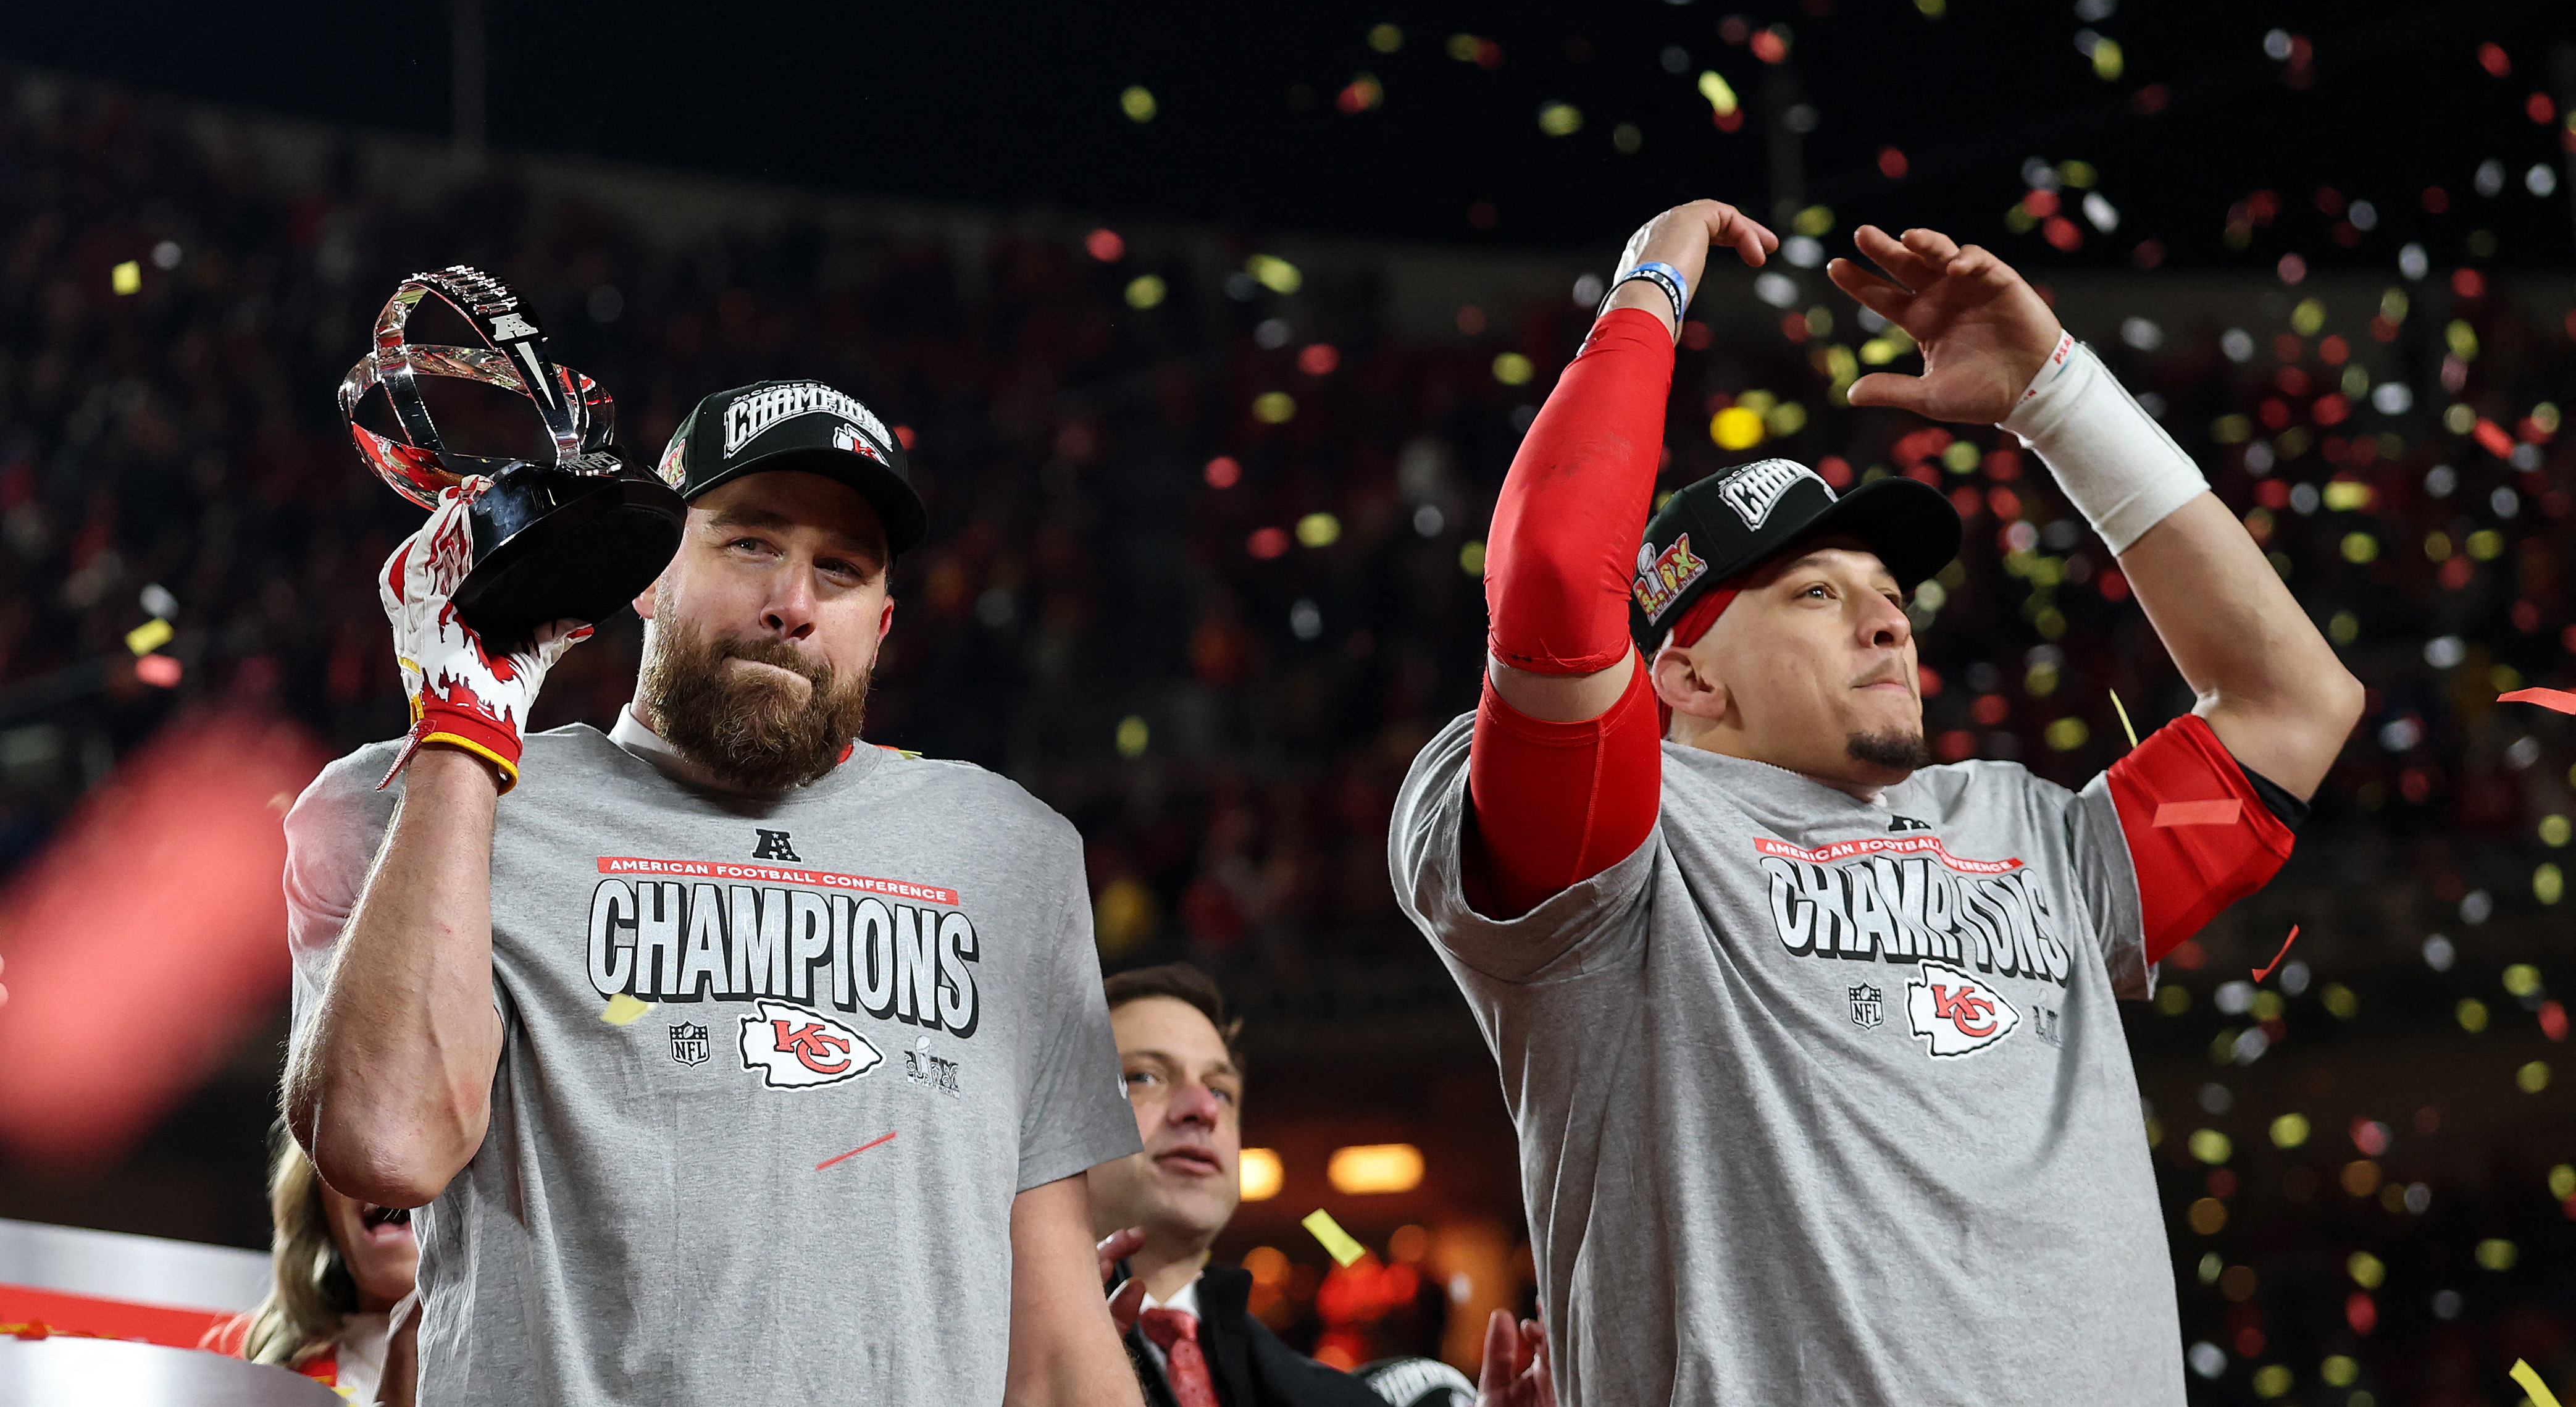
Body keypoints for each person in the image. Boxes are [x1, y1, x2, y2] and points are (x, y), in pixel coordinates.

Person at [1389, 203, 2364, 1405]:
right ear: (1684, 673)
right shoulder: (1619, 853)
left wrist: (2054, 396)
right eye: (1813, 593)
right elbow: (1550, 585)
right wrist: (1647, 287)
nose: (1887, 617)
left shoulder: (2043, 839)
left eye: (1890, 591)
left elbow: (2295, 701)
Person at [285, 379, 1146, 1406]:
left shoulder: (1015, 855)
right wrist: (462, 738)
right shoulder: (421, 805)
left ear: (881, 622)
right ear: (646, 576)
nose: (792, 602)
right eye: (750, 543)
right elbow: (385, 1145)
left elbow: (1051, 1341)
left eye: (842, 568)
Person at [1086, 965, 1556, 1407]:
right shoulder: (1017, 1350)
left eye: (1220, 1090)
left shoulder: (1400, 1392)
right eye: (1145, 1075)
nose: (1202, 1108)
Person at [209, 1126, 419, 1406]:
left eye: (427, 1140)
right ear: (317, 1205)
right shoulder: (264, 1385)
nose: (385, 1162)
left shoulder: (496, 1366)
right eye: (352, 1147)